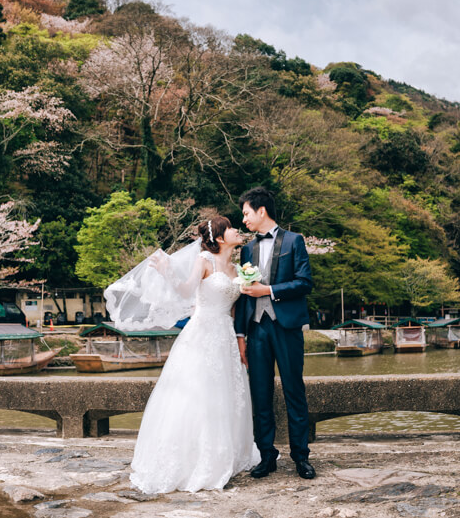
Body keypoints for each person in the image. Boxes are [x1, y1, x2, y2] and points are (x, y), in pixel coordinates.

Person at [114, 216, 260, 493]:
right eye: (229, 227)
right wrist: (168, 272)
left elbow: (234, 309)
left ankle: (225, 454)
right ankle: (193, 460)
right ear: (218, 237)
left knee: (227, 394)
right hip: (202, 332)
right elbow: (185, 290)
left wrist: (239, 340)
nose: (236, 230)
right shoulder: (204, 260)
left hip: (225, 336)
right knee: (198, 393)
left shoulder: (240, 269)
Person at [235, 186, 316, 480]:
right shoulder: (247, 248)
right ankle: (266, 455)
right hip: (256, 329)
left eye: (246, 213)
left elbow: (304, 283)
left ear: (261, 211)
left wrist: (268, 290)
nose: (243, 220)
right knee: (260, 393)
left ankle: (301, 457)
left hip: (287, 327)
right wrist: (240, 336)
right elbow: (245, 297)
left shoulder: (294, 241)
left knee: (294, 390)